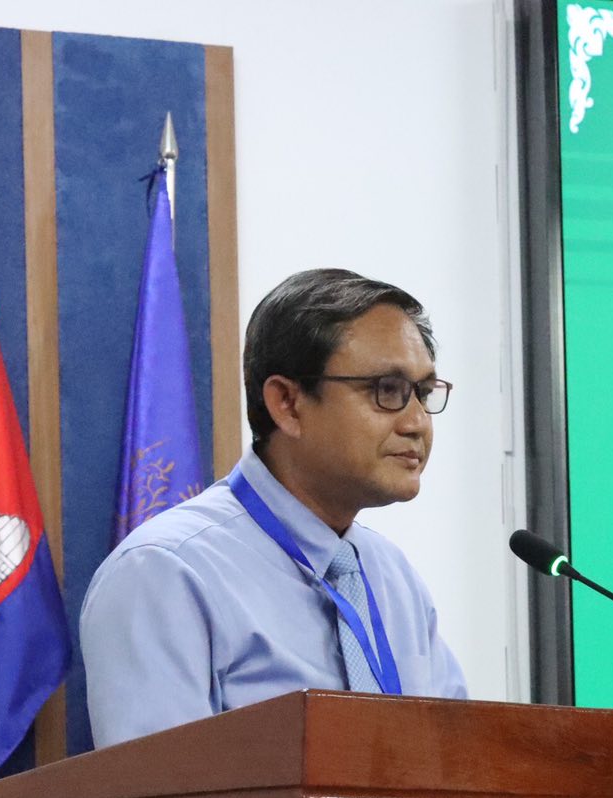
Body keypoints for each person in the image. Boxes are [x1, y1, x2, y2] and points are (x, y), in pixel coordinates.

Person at [81, 268, 468, 748]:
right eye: (386, 390)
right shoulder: (166, 574)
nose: (417, 423)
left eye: (424, 394)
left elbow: (457, 760)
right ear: (287, 403)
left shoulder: (394, 578)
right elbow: (162, 792)